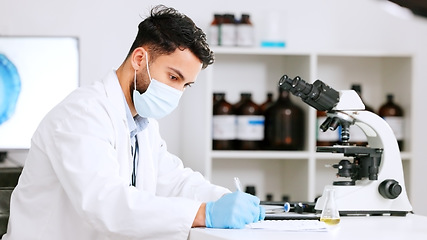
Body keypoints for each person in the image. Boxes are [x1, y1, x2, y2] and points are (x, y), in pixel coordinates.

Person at [2, 5, 264, 240]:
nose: (177, 93)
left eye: (186, 85)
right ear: (140, 59)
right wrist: (204, 213)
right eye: (173, 78)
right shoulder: (81, 114)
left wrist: (223, 198)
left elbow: (174, 181)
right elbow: (106, 204)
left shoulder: (141, 124)